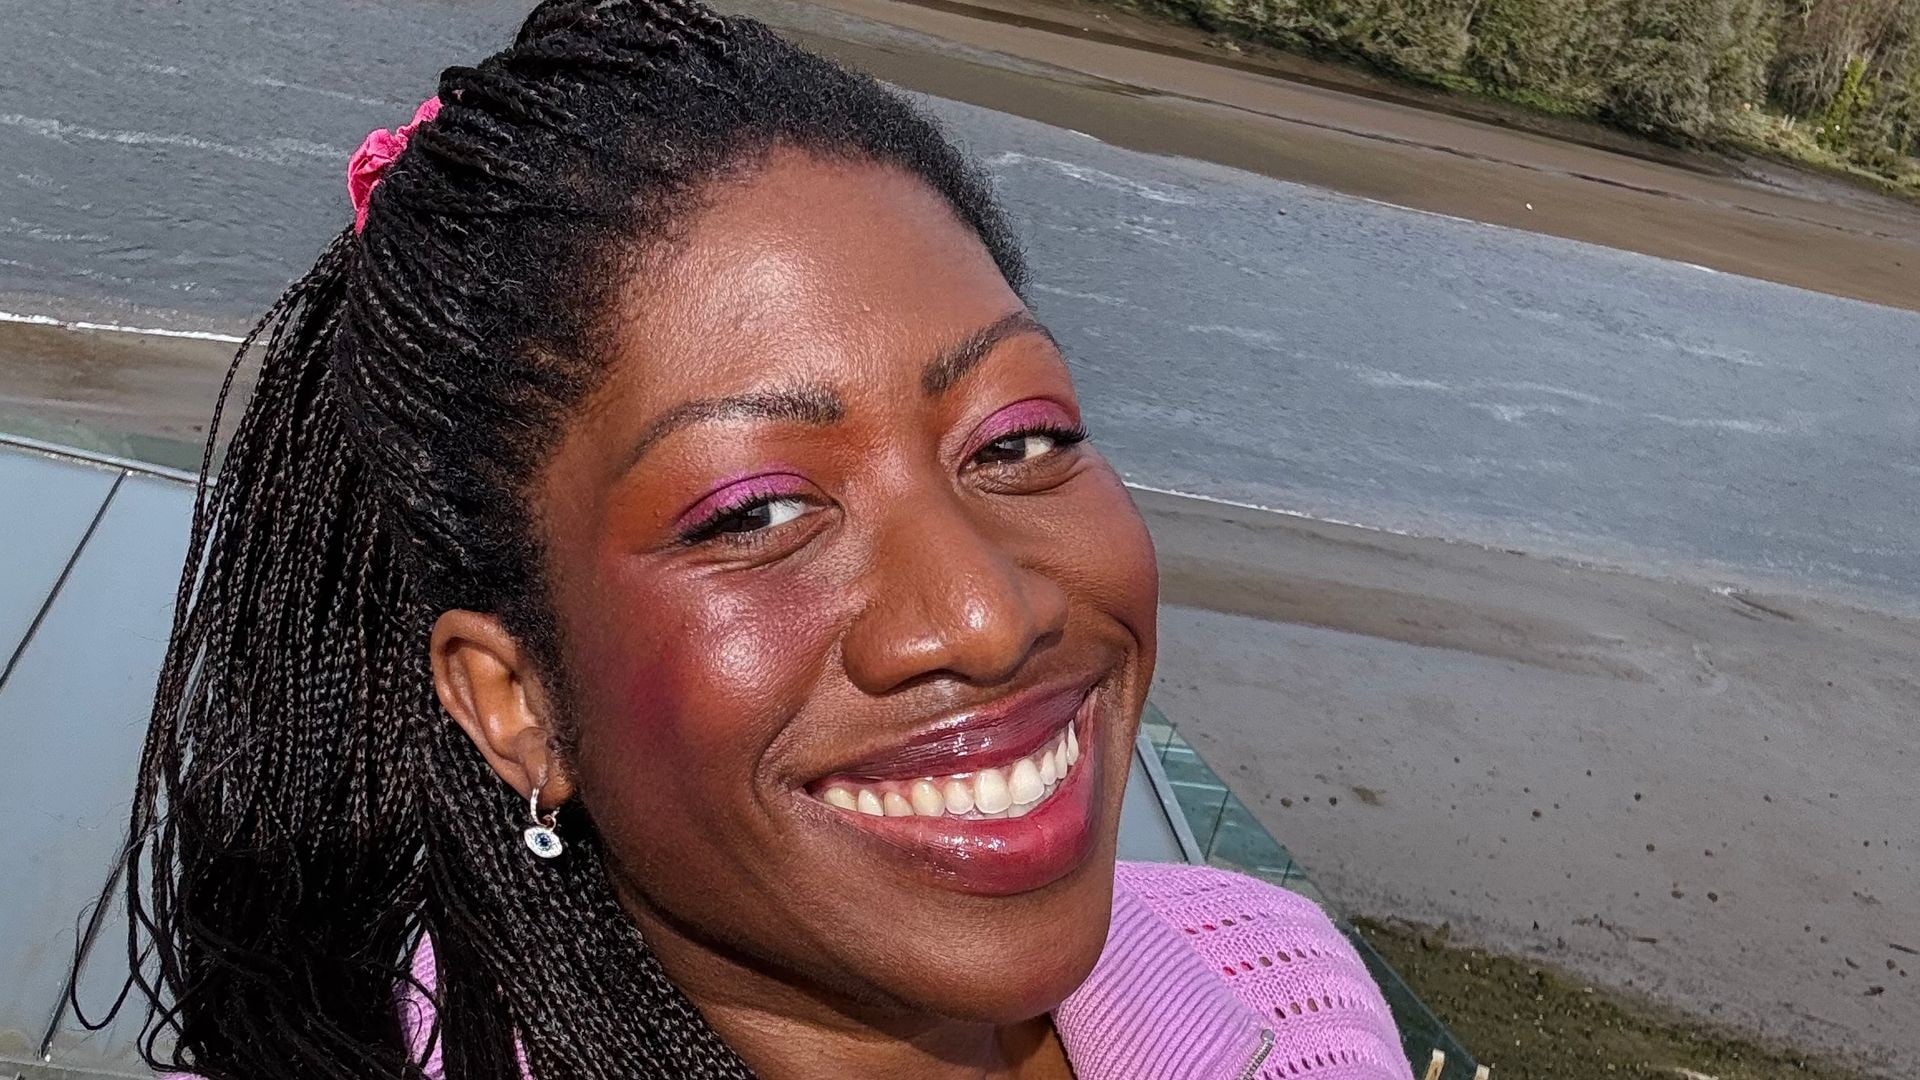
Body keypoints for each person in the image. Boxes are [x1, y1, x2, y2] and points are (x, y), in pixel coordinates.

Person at [103, 1, 1413, 1076]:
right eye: (760, 514)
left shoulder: (1285, 987)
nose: (983, 613)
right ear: (517, 706)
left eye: (1017, 440)